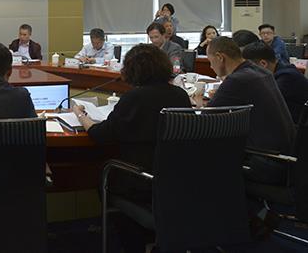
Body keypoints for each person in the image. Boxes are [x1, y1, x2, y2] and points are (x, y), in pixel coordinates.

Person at [75, 44, 190, 252]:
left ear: (132, 70)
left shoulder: (135, 97)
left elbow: (100, 135)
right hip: (176, 179)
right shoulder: (180, 95)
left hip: (141, 180)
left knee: (102, 174)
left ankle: (131, 240)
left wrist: (81, 115)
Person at [195, 37, 295, 184]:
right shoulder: (260, 71)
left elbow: (204, 121)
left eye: (210, 61)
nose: (210, 66)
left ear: (220, 57)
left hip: (266, 162)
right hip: (288, 158)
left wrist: (198, 104)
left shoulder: (237, 80)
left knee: (202, 154)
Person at [242, 41, 308, 124]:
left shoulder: (286, 77)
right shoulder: (282, 70)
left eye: (249, 68)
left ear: (263, 64)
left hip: (294, 127)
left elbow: (263, 104)